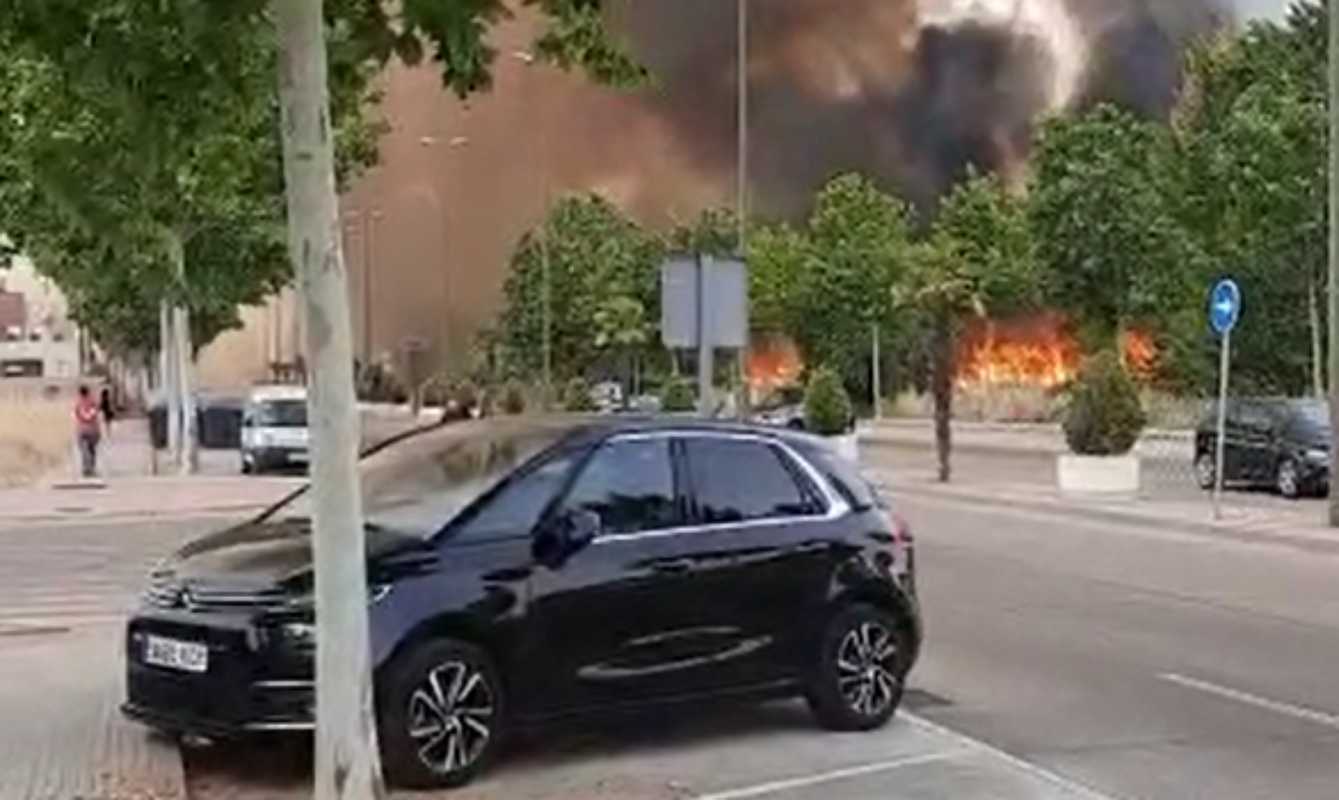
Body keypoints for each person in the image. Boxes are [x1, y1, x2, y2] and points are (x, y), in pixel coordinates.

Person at [74, 385, 102, 478]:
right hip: (93, 430)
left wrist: (83, 418)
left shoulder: (78, 403)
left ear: (80, 393)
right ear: (88, 392)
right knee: (92, 450)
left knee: (84, 450)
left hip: (82, 430)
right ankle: (91, 468)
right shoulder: (93, 402)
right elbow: (94, 414)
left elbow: (77, 415)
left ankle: (86, 469)